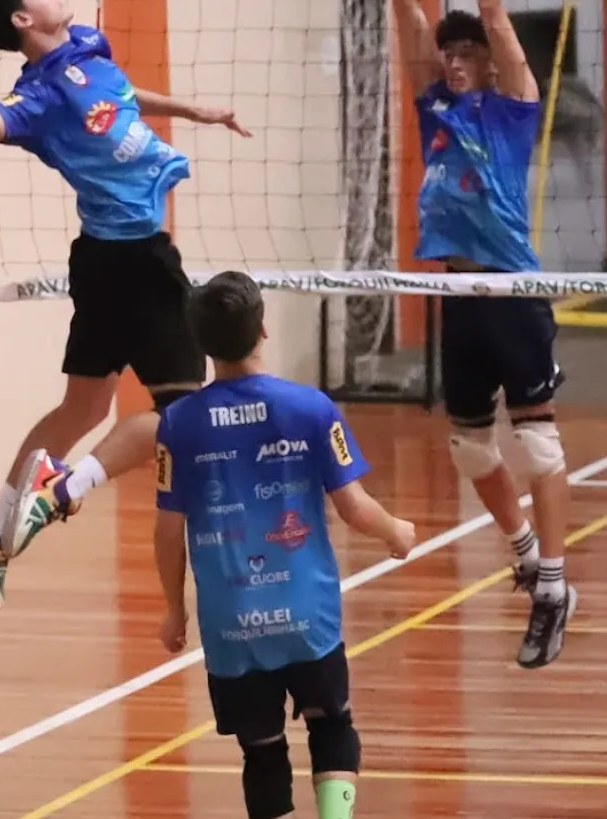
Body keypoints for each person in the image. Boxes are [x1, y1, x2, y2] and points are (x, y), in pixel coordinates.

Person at [0, 0, 250, 608]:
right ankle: (67, 489)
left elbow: (116, 95)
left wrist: (191, 110)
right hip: (132, 262)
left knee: (86, 408)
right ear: (21, 19)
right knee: (183, 414)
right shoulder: (37, 98)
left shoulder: (87, 46)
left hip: (104, 258)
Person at [391, 0, 577, 668]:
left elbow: (493, 3)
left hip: (511, 290)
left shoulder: (512, 108)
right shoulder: (434, 107)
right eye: (451, 52)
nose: (456, 58)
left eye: (469, 51)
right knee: (470, 446)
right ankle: (525, 549)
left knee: (537, 446)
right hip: (456, 291)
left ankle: (556, 585)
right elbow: (404, 6)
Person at [154, 271, 417, 819]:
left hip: (231, 622)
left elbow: (166, 527)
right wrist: (397, 531)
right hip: (307, 613)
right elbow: (353, 506)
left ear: (200, 343)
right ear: (262, 330)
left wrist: (174, 608)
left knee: (262, 751)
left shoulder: (178, 425)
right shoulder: (311, 408)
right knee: (333, 724)